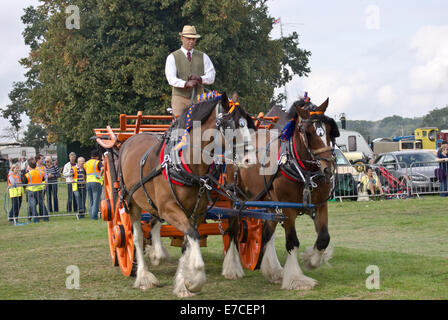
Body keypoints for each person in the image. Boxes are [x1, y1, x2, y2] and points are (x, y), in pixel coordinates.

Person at [165, 25, 216, 117]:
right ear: (182, 38)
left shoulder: (203, 56)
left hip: (199, 98)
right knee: (180, 126)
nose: (191, 41)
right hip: (180, 98)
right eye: (188, 38)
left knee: (198, 126)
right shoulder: (172, 57)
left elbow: (212, 76)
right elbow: (171, 78)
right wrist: (185, 84)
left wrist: (200, 79)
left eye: (193, 39)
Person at [24, 158, 45, 223]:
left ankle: (35, 218)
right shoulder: (40, 172)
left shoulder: (28, 174)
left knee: (32, 205)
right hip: (39, 190)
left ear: (29, 166)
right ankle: (45, 217)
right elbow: (43, 179)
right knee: (41, 204)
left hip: (31, 191)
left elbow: (24, 182)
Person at [85, 150, 103, 220]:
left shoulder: (86, 163)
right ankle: (94, 216)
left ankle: (91, 214)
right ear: (97, 156)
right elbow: (102, 168)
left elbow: (84, 172)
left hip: (88, 182)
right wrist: (100, 176)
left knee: (91, 200)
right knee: (96, 200)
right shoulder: (97, 162)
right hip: (96, 182)